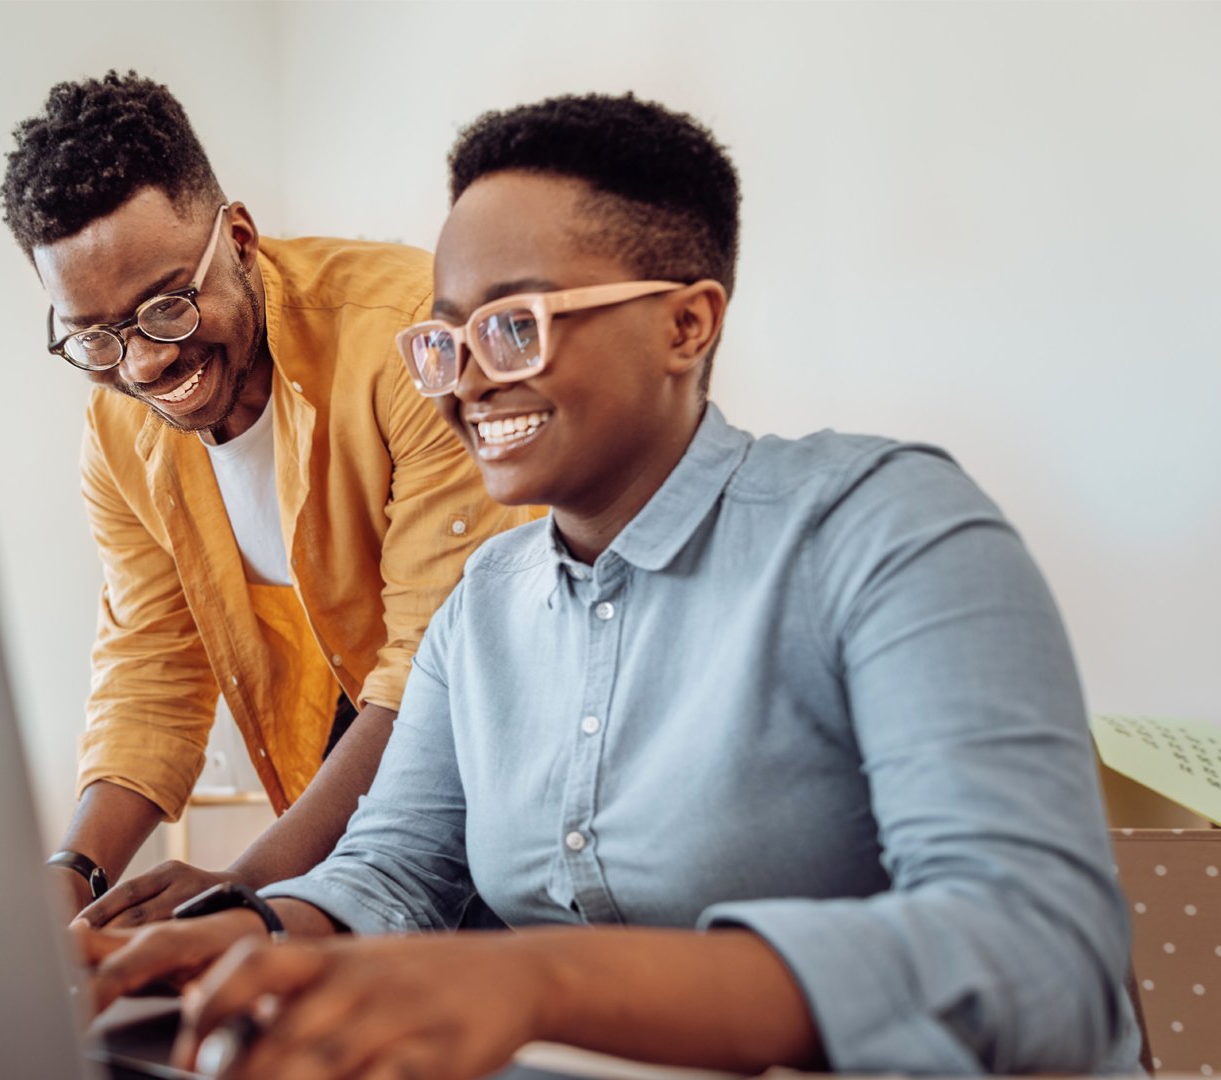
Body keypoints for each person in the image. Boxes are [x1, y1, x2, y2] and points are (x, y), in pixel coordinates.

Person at [78, 93, 1140, 1076]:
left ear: (688, 324)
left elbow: (1038, 952)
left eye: (515, 325)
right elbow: (395, 873)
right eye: (445, 339)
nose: (470, 378)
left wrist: (533, 980)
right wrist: (243, 933)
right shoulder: (482, 611)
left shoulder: (883, 530)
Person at [0, 73, 536, 926]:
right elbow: (151, 667)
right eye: (96, 337)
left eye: (166, 307)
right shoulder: (115, 432)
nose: (142, 366)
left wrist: (240, 892)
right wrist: (71, 876)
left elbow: (435, 674)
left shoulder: (408, 336)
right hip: (337, 840)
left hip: (500, 812)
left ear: (239, 240)